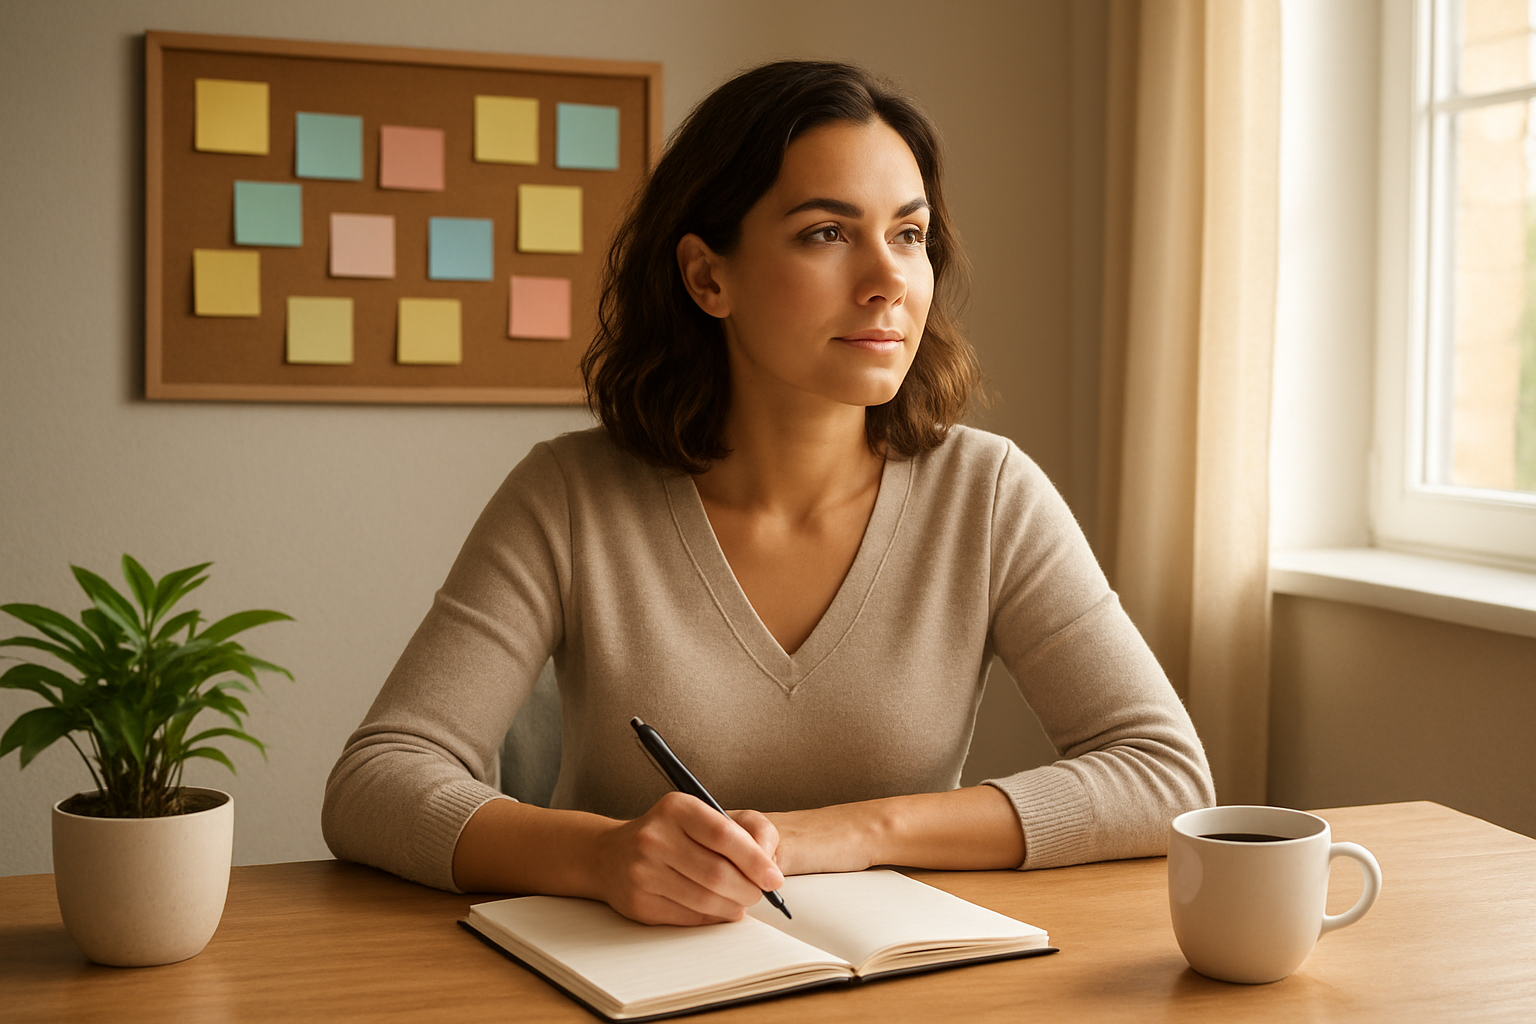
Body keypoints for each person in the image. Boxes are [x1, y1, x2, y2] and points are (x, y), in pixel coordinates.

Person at [322, 60, 1213, 927]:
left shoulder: (988, 494)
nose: (888, 280)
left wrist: (851, 831)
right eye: (828, 233)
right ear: (709, 277)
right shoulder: (568, 496)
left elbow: (1163, 774)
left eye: (909, 234)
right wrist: (599, 856)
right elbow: (378, 781)